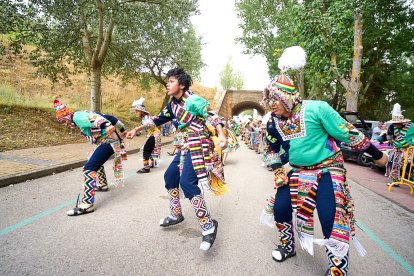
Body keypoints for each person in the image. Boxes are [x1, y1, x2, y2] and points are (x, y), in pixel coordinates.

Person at [260, 46, 387, 275]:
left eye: (276, 98)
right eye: (269, 99)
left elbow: (348, 133)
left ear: (288, 96)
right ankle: (288, 246)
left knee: (330, 216)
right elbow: (271, 147)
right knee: (279, 208)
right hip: (297, 172)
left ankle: (337, 269)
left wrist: (378, 156)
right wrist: (278, 169)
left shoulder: (317, 109)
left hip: (328, 170)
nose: (272, 104)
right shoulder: (273, 122)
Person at [126, 68, 227, 251]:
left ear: (181, 85)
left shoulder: (193, 100)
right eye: (168, 81)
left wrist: (221, 135)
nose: (167, 84)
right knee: (170, 177)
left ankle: (208, 225)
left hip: (198, 145)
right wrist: (137, 129)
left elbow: (213, 116)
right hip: (184, 146)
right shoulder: (172, 105)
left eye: (171, 81)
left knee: (187, 183)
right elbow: (156, 119)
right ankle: (176, 214)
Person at [53, 99, 127, 216]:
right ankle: (102, 184)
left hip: (109, 141)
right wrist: (122, 128)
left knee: (89, 168)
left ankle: (87, 204)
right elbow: (109, 117)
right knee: (92, 158)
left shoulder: (77, 117)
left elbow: (97, 119)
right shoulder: (82, 113)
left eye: (64, 121)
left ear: (67, 116)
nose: (65, 124)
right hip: (111, 141)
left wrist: (106, 125)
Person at [385, 103, 414, 187]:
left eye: (397, 123)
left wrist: (411, 143)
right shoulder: (394, 127)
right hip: (398, 150)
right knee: (394, 164)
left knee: (410, 166)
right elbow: (390, 135)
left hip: (409, 150)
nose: (395, 125)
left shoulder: (412, 126)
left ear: (403, 122)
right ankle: (396, 180)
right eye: (394, 123)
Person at [131, 98, 161, 173]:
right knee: (150, 149)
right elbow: (145, 127)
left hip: (154, 135)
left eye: (137, 111)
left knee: (145, 150)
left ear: (142, 111)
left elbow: (147, 125)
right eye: (135, 111)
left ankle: (146, 168)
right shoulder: (145, 118)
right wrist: (138, 132)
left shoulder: (146, 118)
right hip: (153, 134)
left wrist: (136, 130)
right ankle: (153, 163)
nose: (135, 112)